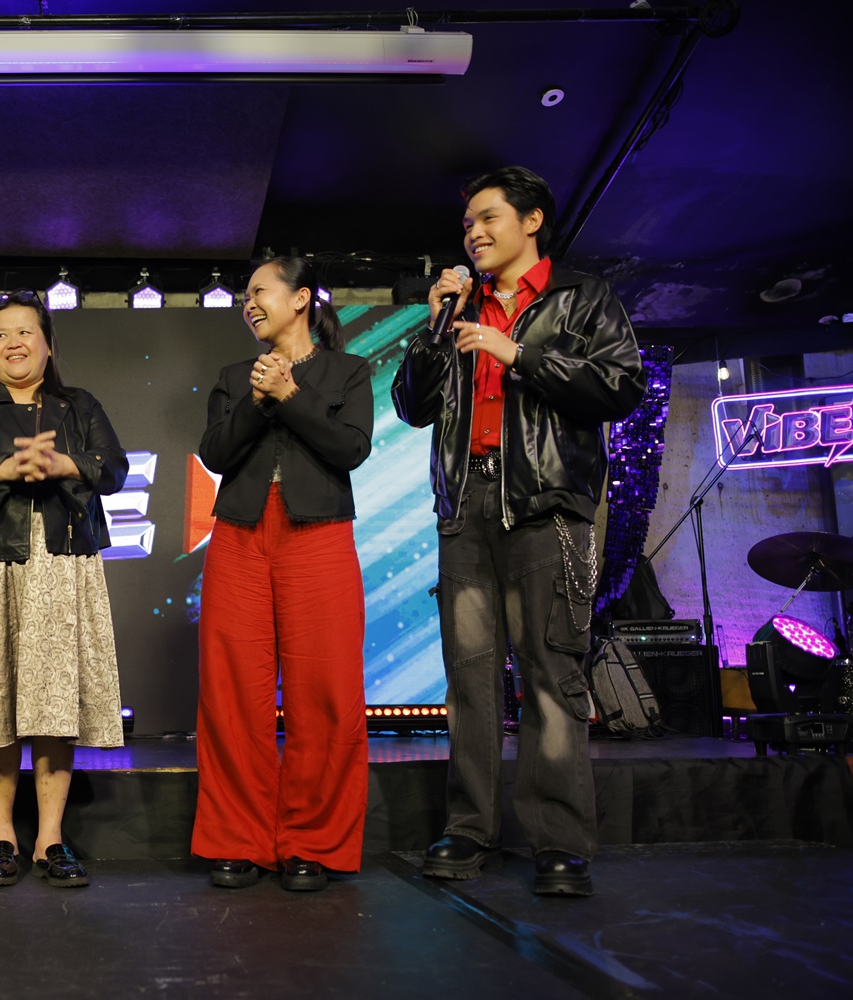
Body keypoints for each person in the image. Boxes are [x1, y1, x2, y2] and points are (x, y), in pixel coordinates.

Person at [391, 167, 645, 897]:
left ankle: (559, 841)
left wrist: (520, 355)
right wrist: (433, 327)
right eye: (467, 224)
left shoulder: (581, 296)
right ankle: (469, 828)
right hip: (466, 506)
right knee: (469, 679)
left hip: (547, 505)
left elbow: (621, 386)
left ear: (532, 221)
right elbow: (412, 406)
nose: (473, 233)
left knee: (551, 674)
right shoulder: (460, 305)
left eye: (488, 218)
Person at [0, 289, 127, 889]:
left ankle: (50, 838)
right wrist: (0, 467)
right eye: (0, 334)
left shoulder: (78, 405)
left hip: (61, 562)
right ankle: (1, 836)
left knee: (52, 702)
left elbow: (114, 468)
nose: (13, 343)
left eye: (24, 332)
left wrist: (68, 464)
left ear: (48, 345)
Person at [193, 257, 374, 892]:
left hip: (317, 536)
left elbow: (350, 448)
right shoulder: (233, 377)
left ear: (300, 299)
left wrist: (291, 395)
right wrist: (257, 398)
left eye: (259, 291)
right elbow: (215, 452)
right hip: (240, 537)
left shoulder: (348, 370)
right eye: (244, 295)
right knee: (232, 692)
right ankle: (237, 838)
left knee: (324, 691)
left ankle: (312, 842)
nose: (249, 303)